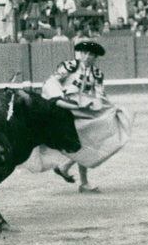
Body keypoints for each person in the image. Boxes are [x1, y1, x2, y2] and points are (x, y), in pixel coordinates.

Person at [42, 40, 107, 192]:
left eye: (92, 55)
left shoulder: (97, 73)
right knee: (84, 143)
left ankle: (69, 170)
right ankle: (74, 174)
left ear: (95, 58)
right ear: (80, 54)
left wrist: (99, 106)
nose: (87, 57)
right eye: (85, 53)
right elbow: (52, 82)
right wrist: (59, 99)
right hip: (65, 109)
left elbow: (99, 94)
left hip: (83, 110)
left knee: (85, 143)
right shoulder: (70, 66)